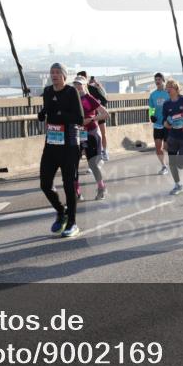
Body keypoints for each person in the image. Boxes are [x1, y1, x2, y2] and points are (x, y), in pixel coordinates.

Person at [37, 63, 85, 238]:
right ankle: (61, 211)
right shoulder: (48, 91)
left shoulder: (71, 92)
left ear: (64, 76)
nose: (54, 75)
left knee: (68, 185)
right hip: (51, 144)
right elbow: (48, 109)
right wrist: (42, 113)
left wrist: (59, 115)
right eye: (52, 72)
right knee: (45, 184)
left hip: (69, 145)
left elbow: (80, 118)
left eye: (58, 72)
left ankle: (72, 223)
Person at [73, 75, 109, 200]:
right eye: (75, 84)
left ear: (85, 85)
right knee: (73, 165)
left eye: (79, 84)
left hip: (91, 134)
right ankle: (76, 192)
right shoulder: (72, 99)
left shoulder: (89, 98)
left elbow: (105, 114)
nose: (77, 86)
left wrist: (91, 119)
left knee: (93, 165)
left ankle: (101, 188)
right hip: (77, 135)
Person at [78, 71, 110, 162]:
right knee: (84, 140)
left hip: (97, 115)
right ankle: (87, 155)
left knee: (102, 134)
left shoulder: (94, 89)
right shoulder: (75, 93)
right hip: (85, 121)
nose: (78, 84)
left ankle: (104, 151)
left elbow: (104, 100)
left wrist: (94, 106)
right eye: (77, 82)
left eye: (82, 79)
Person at [148, 73, 171, 175]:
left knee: (167, 147)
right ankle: (164, 166)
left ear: (163, 80)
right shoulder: (153, 95)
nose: (157, 81)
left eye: (159, 79)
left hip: (167, 124)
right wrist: (151, 116)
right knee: (158, 148)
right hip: (157, 124)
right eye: (156, 79)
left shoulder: (168, 93)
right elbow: (151, 108)